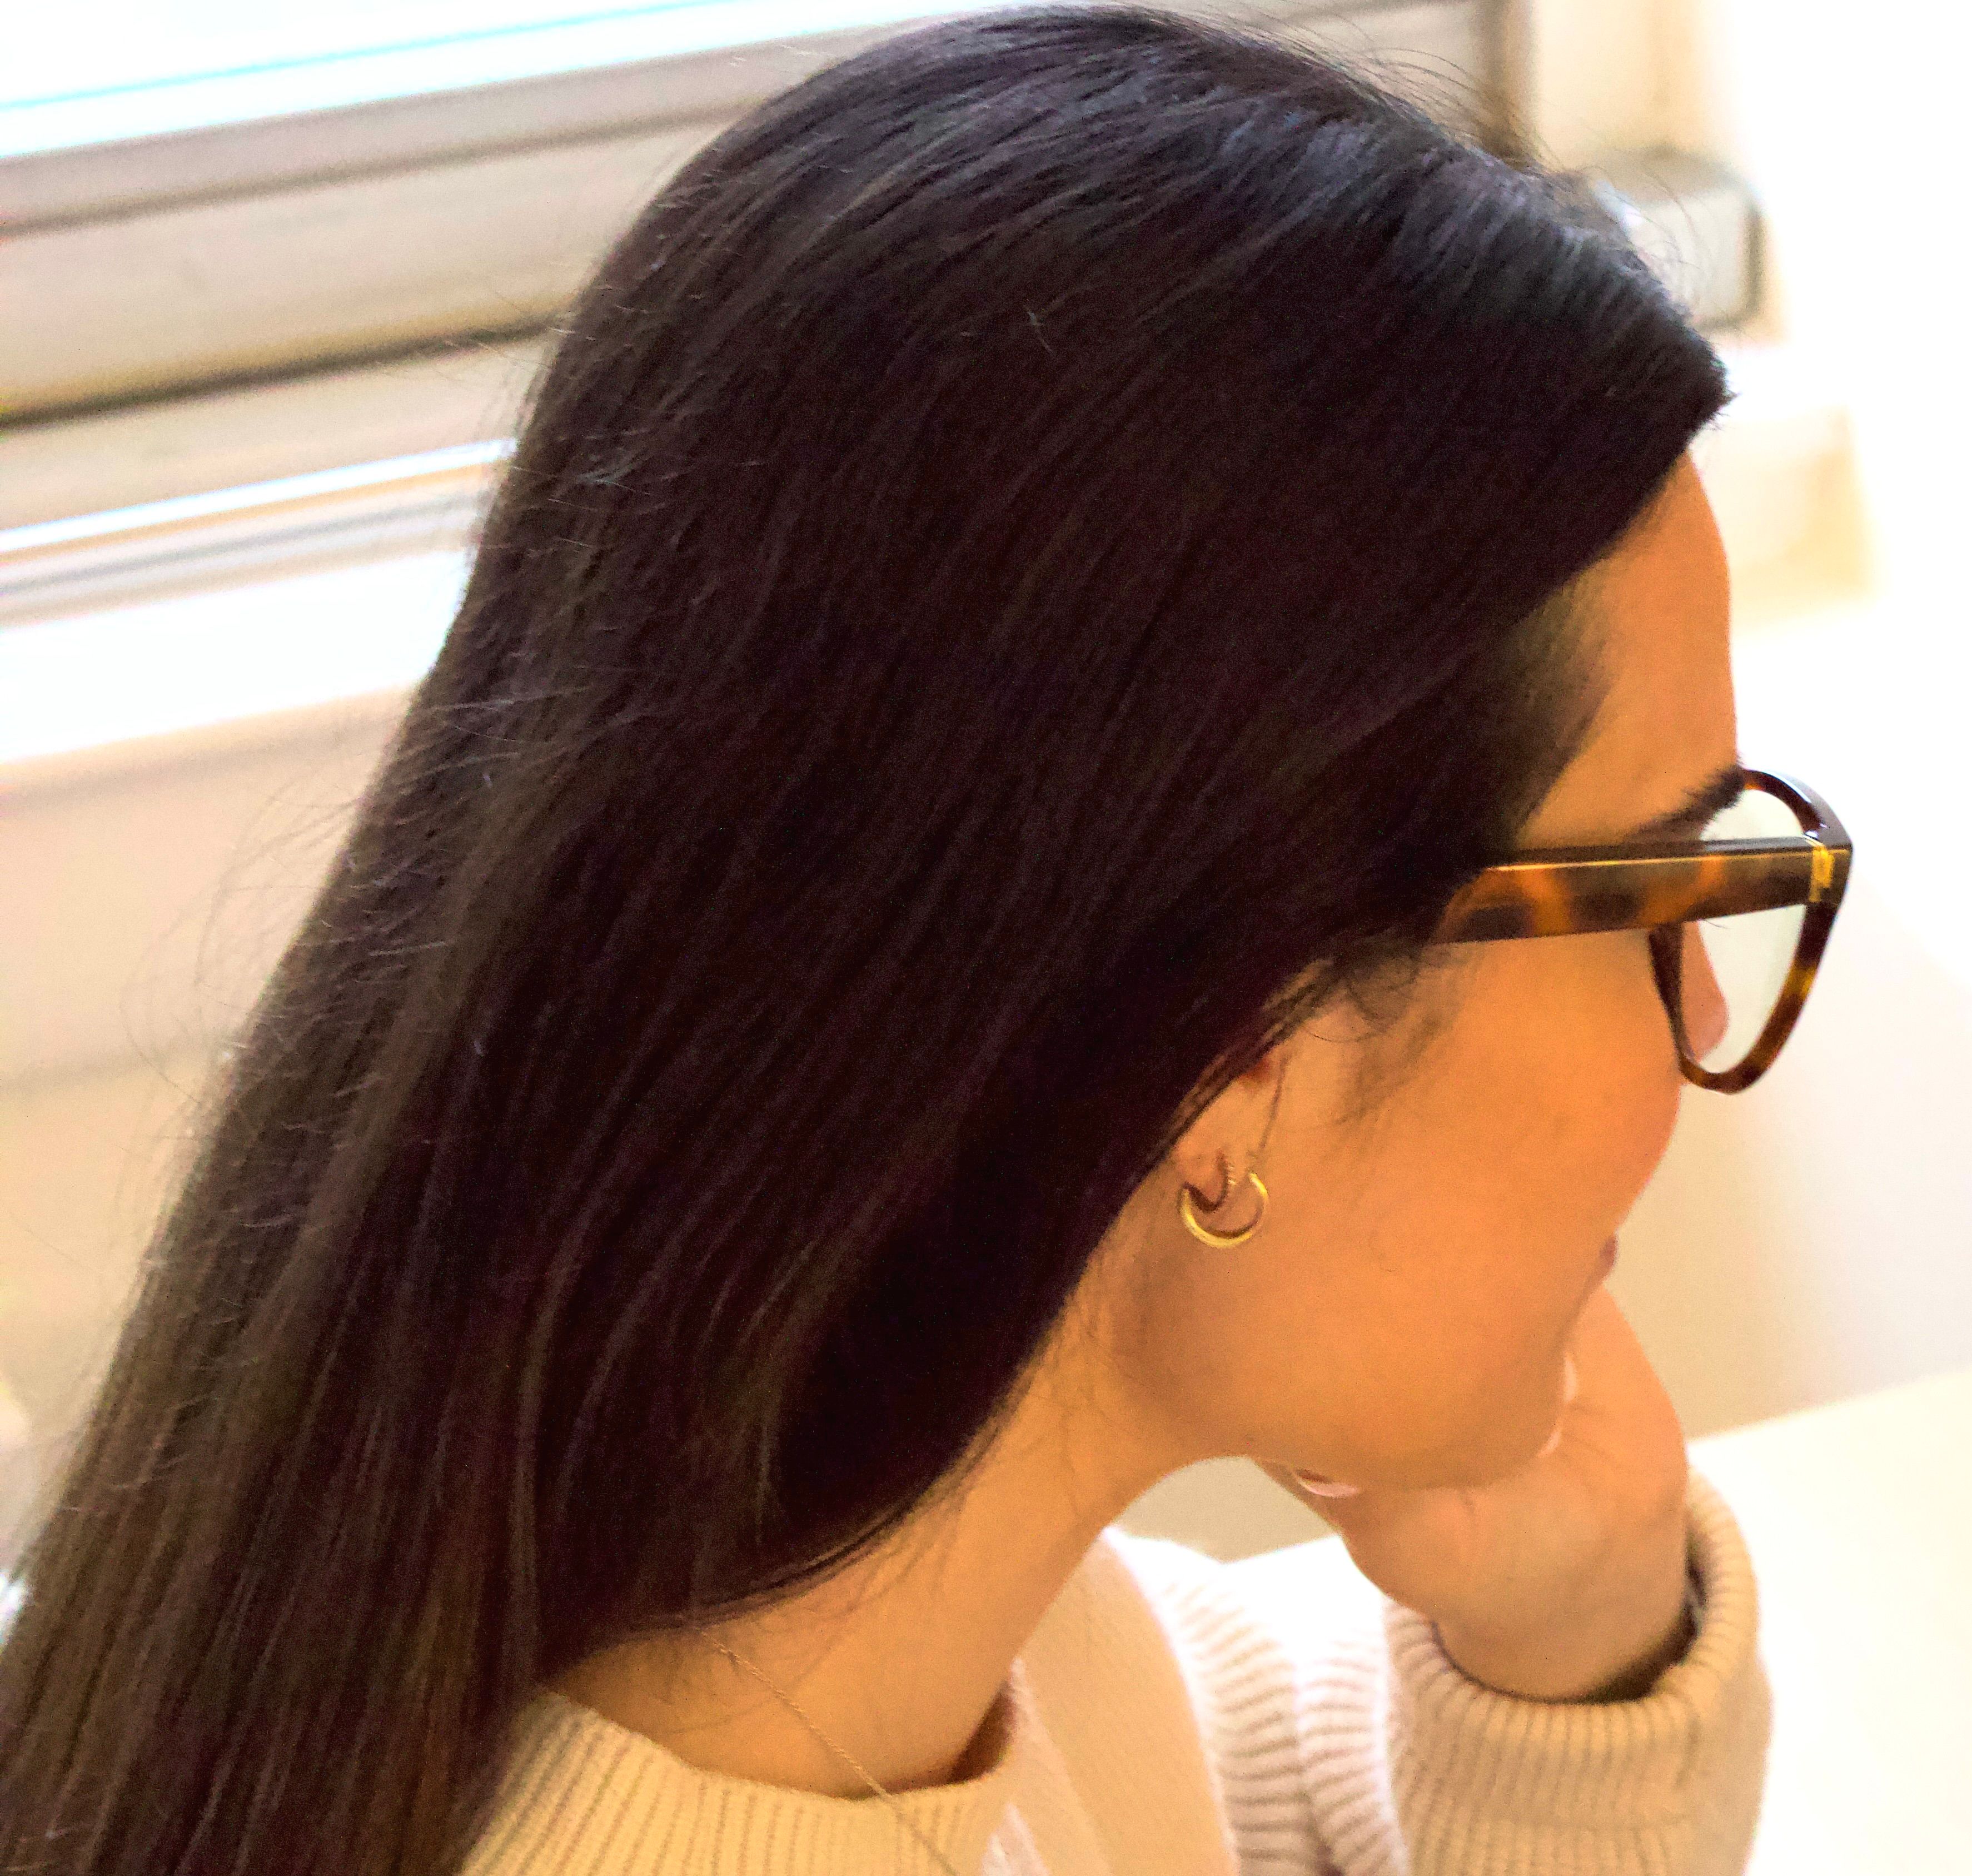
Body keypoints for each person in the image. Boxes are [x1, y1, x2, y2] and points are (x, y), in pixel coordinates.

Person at [0, 9, 1859, 1872]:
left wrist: (1575, 1640)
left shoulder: (778, 1578)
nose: (1699, 996)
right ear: (1233, 1056)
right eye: (1660, 888)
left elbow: (1220, 1777)